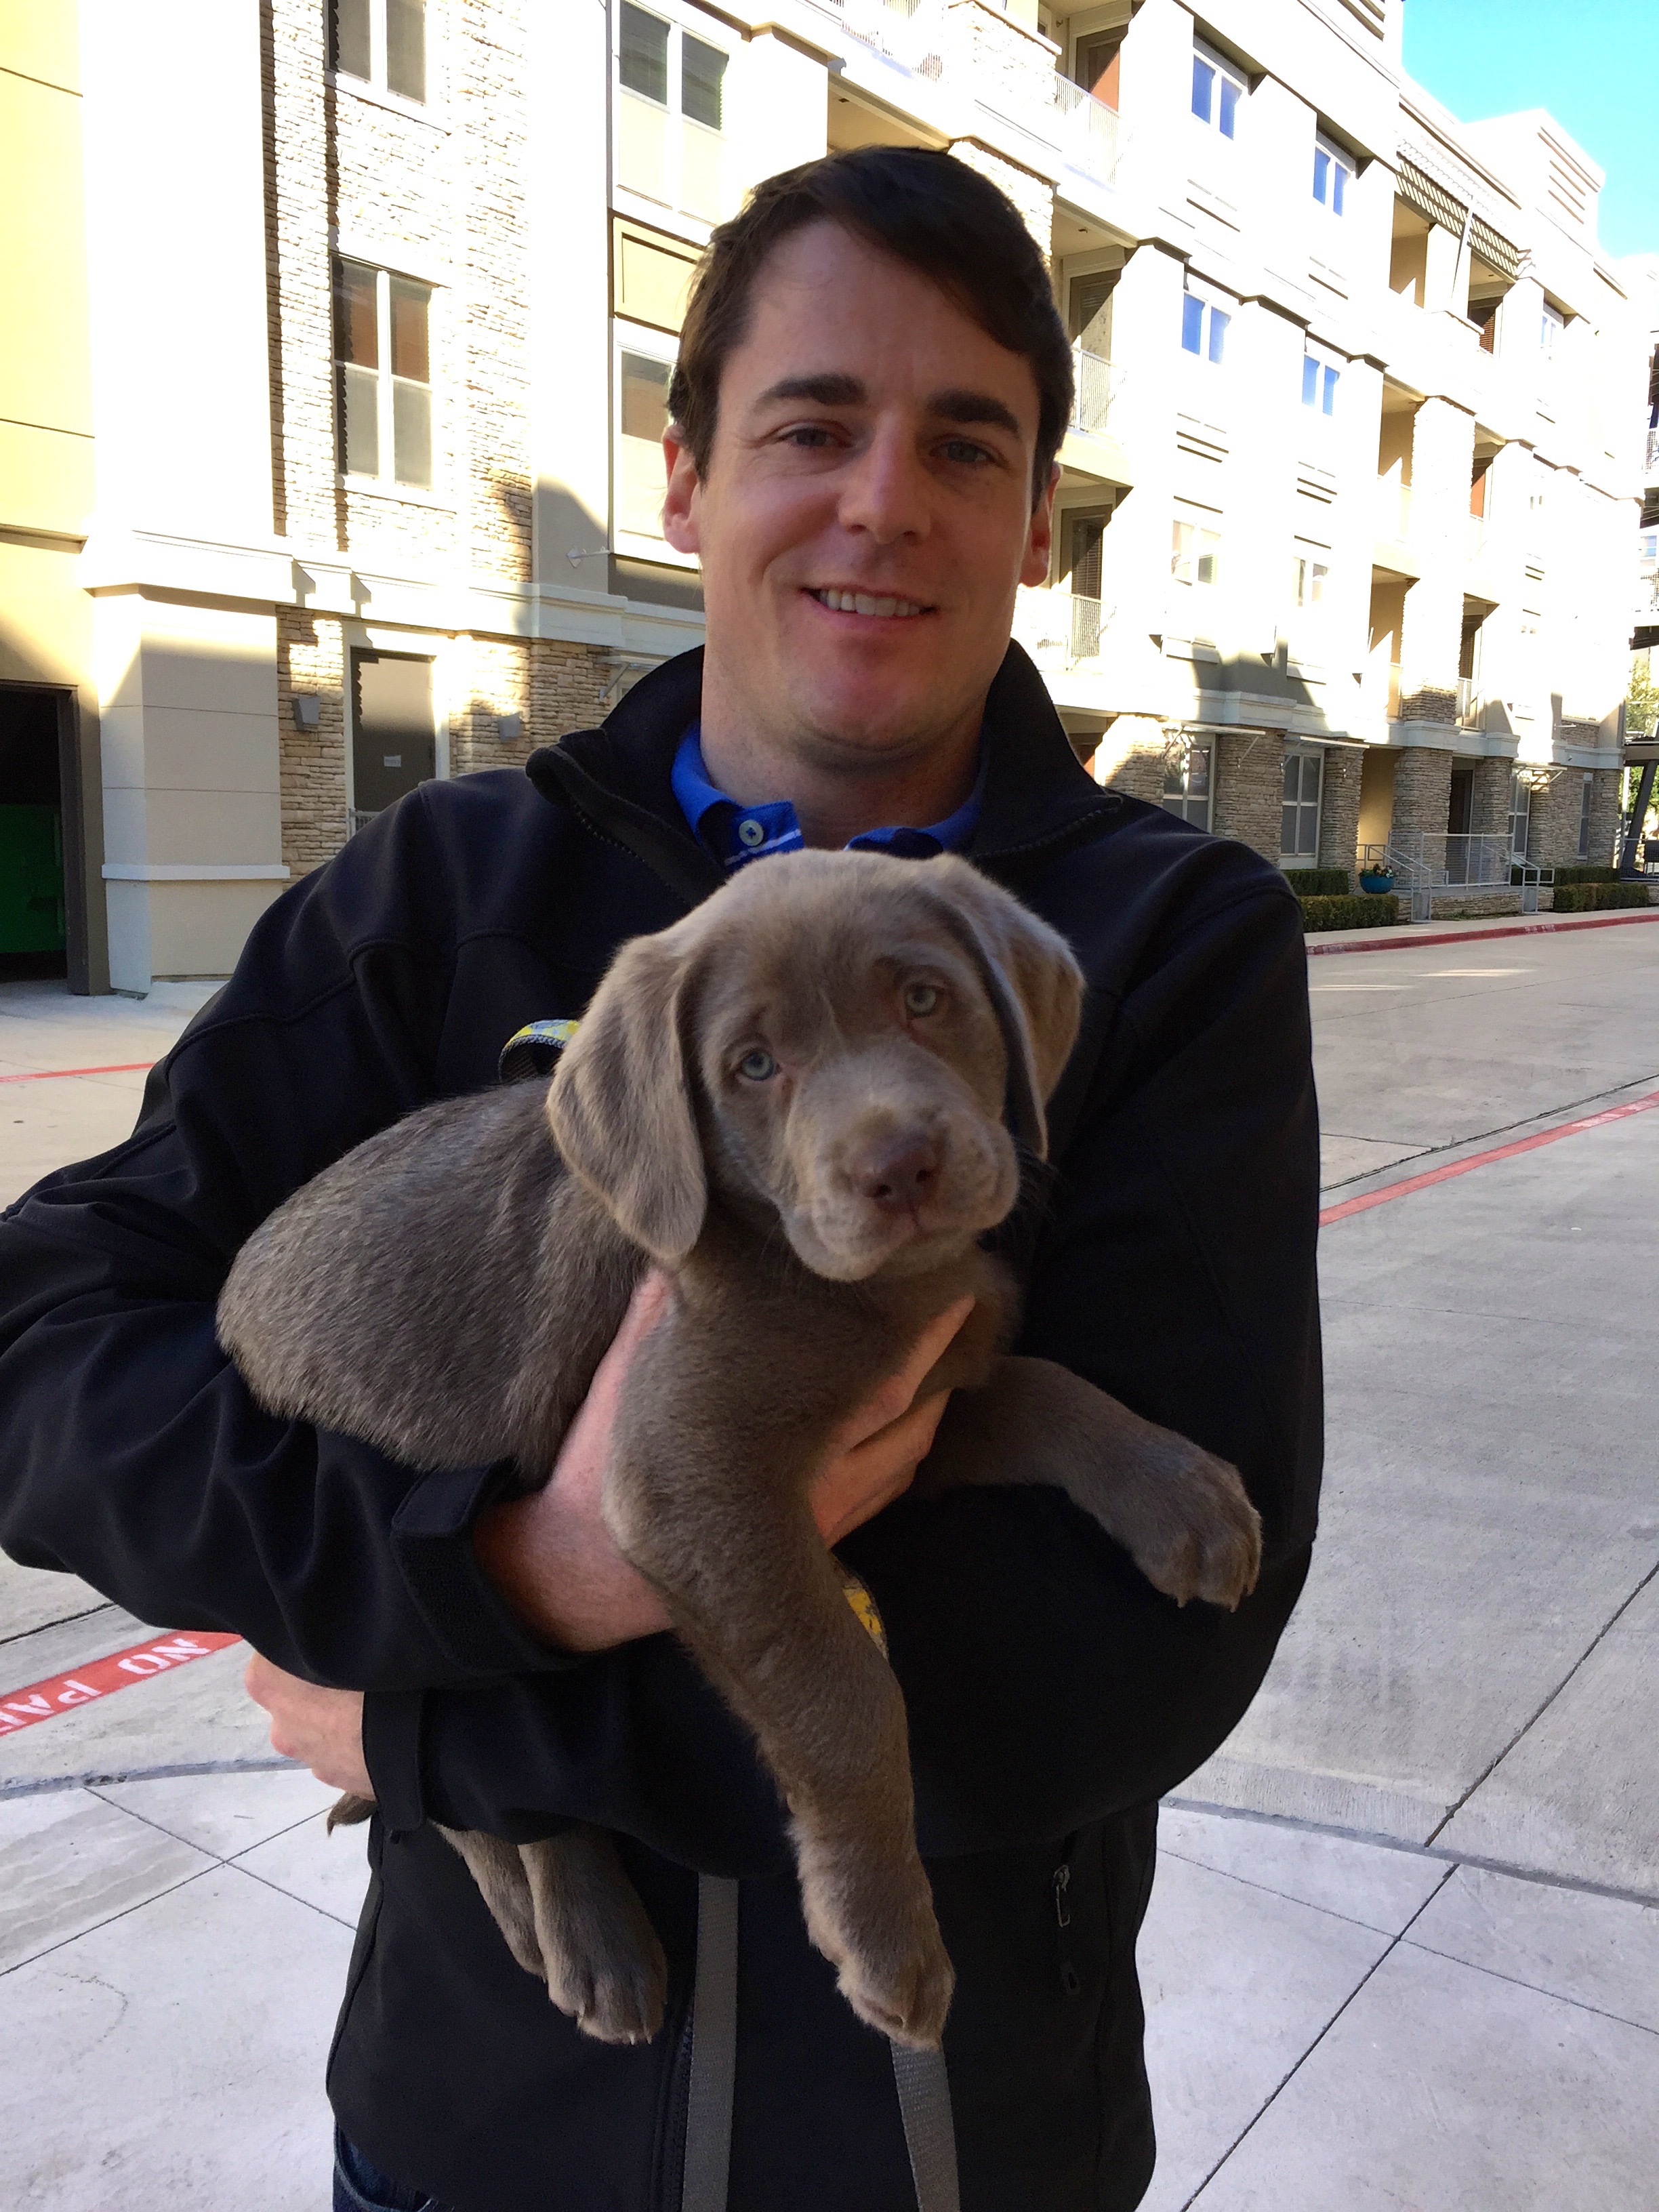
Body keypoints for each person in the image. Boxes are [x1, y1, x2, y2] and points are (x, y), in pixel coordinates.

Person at [0, 147, 1321, 2212]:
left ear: (1031, 529)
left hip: (966, 2147)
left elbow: (1132, 1653)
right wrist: (488, 1573)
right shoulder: (438, 897)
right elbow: (53, 1353)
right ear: (690, 481)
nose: (883, 498)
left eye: (961, 446)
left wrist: (446, 1728)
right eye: (813, 427)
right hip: (477, 2139)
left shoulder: (1164, 941)